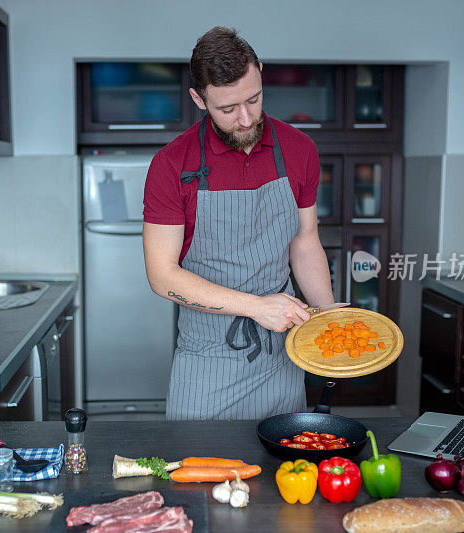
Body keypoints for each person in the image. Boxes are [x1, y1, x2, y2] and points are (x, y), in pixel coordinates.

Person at [142, 26, 334, 421]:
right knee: (193, 475)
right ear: (199, 99)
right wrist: (256, 308)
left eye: (254, 99)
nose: (245, 118)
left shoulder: (299, 149)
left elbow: (305, 242)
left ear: (261, 73)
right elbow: (162, 277)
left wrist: (328, 320)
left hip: (284, 349)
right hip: (206, 355)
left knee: (282, 471)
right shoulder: (171, 164)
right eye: (227, 109)